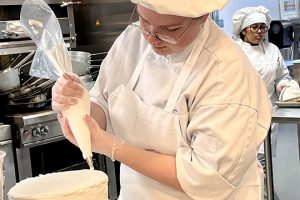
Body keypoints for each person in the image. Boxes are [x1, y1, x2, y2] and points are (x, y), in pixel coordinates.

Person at [52, 0, 272, 199]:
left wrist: (112, 146)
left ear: (203, 17)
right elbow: (103, 105)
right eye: (144, 21)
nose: (152, 38)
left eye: (171, 29)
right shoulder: (133, 40)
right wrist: (78, 107)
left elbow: (206, 179)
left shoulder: (225, 73)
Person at [232, 5, 300, 200]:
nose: (260, 32)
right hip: (239, 112)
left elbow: (281, 76)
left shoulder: (272, 50)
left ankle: (265, 194)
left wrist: (285, 86)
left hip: (268, 111)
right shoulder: (234, 50)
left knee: (263, 160)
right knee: (244, 163)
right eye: (255, 27)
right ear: (244, 29)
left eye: (263, 27)